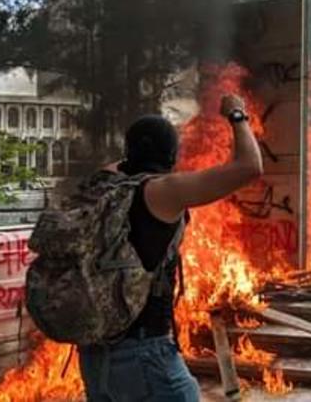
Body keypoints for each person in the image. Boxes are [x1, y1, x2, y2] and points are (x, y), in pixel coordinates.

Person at [77, 95, 263, 402]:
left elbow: (117, 164)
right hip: (144, 354)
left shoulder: (102, 188)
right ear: (171, 154)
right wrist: (237, 114)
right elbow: (249, 167)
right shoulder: (162, 192)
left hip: (95, 356)